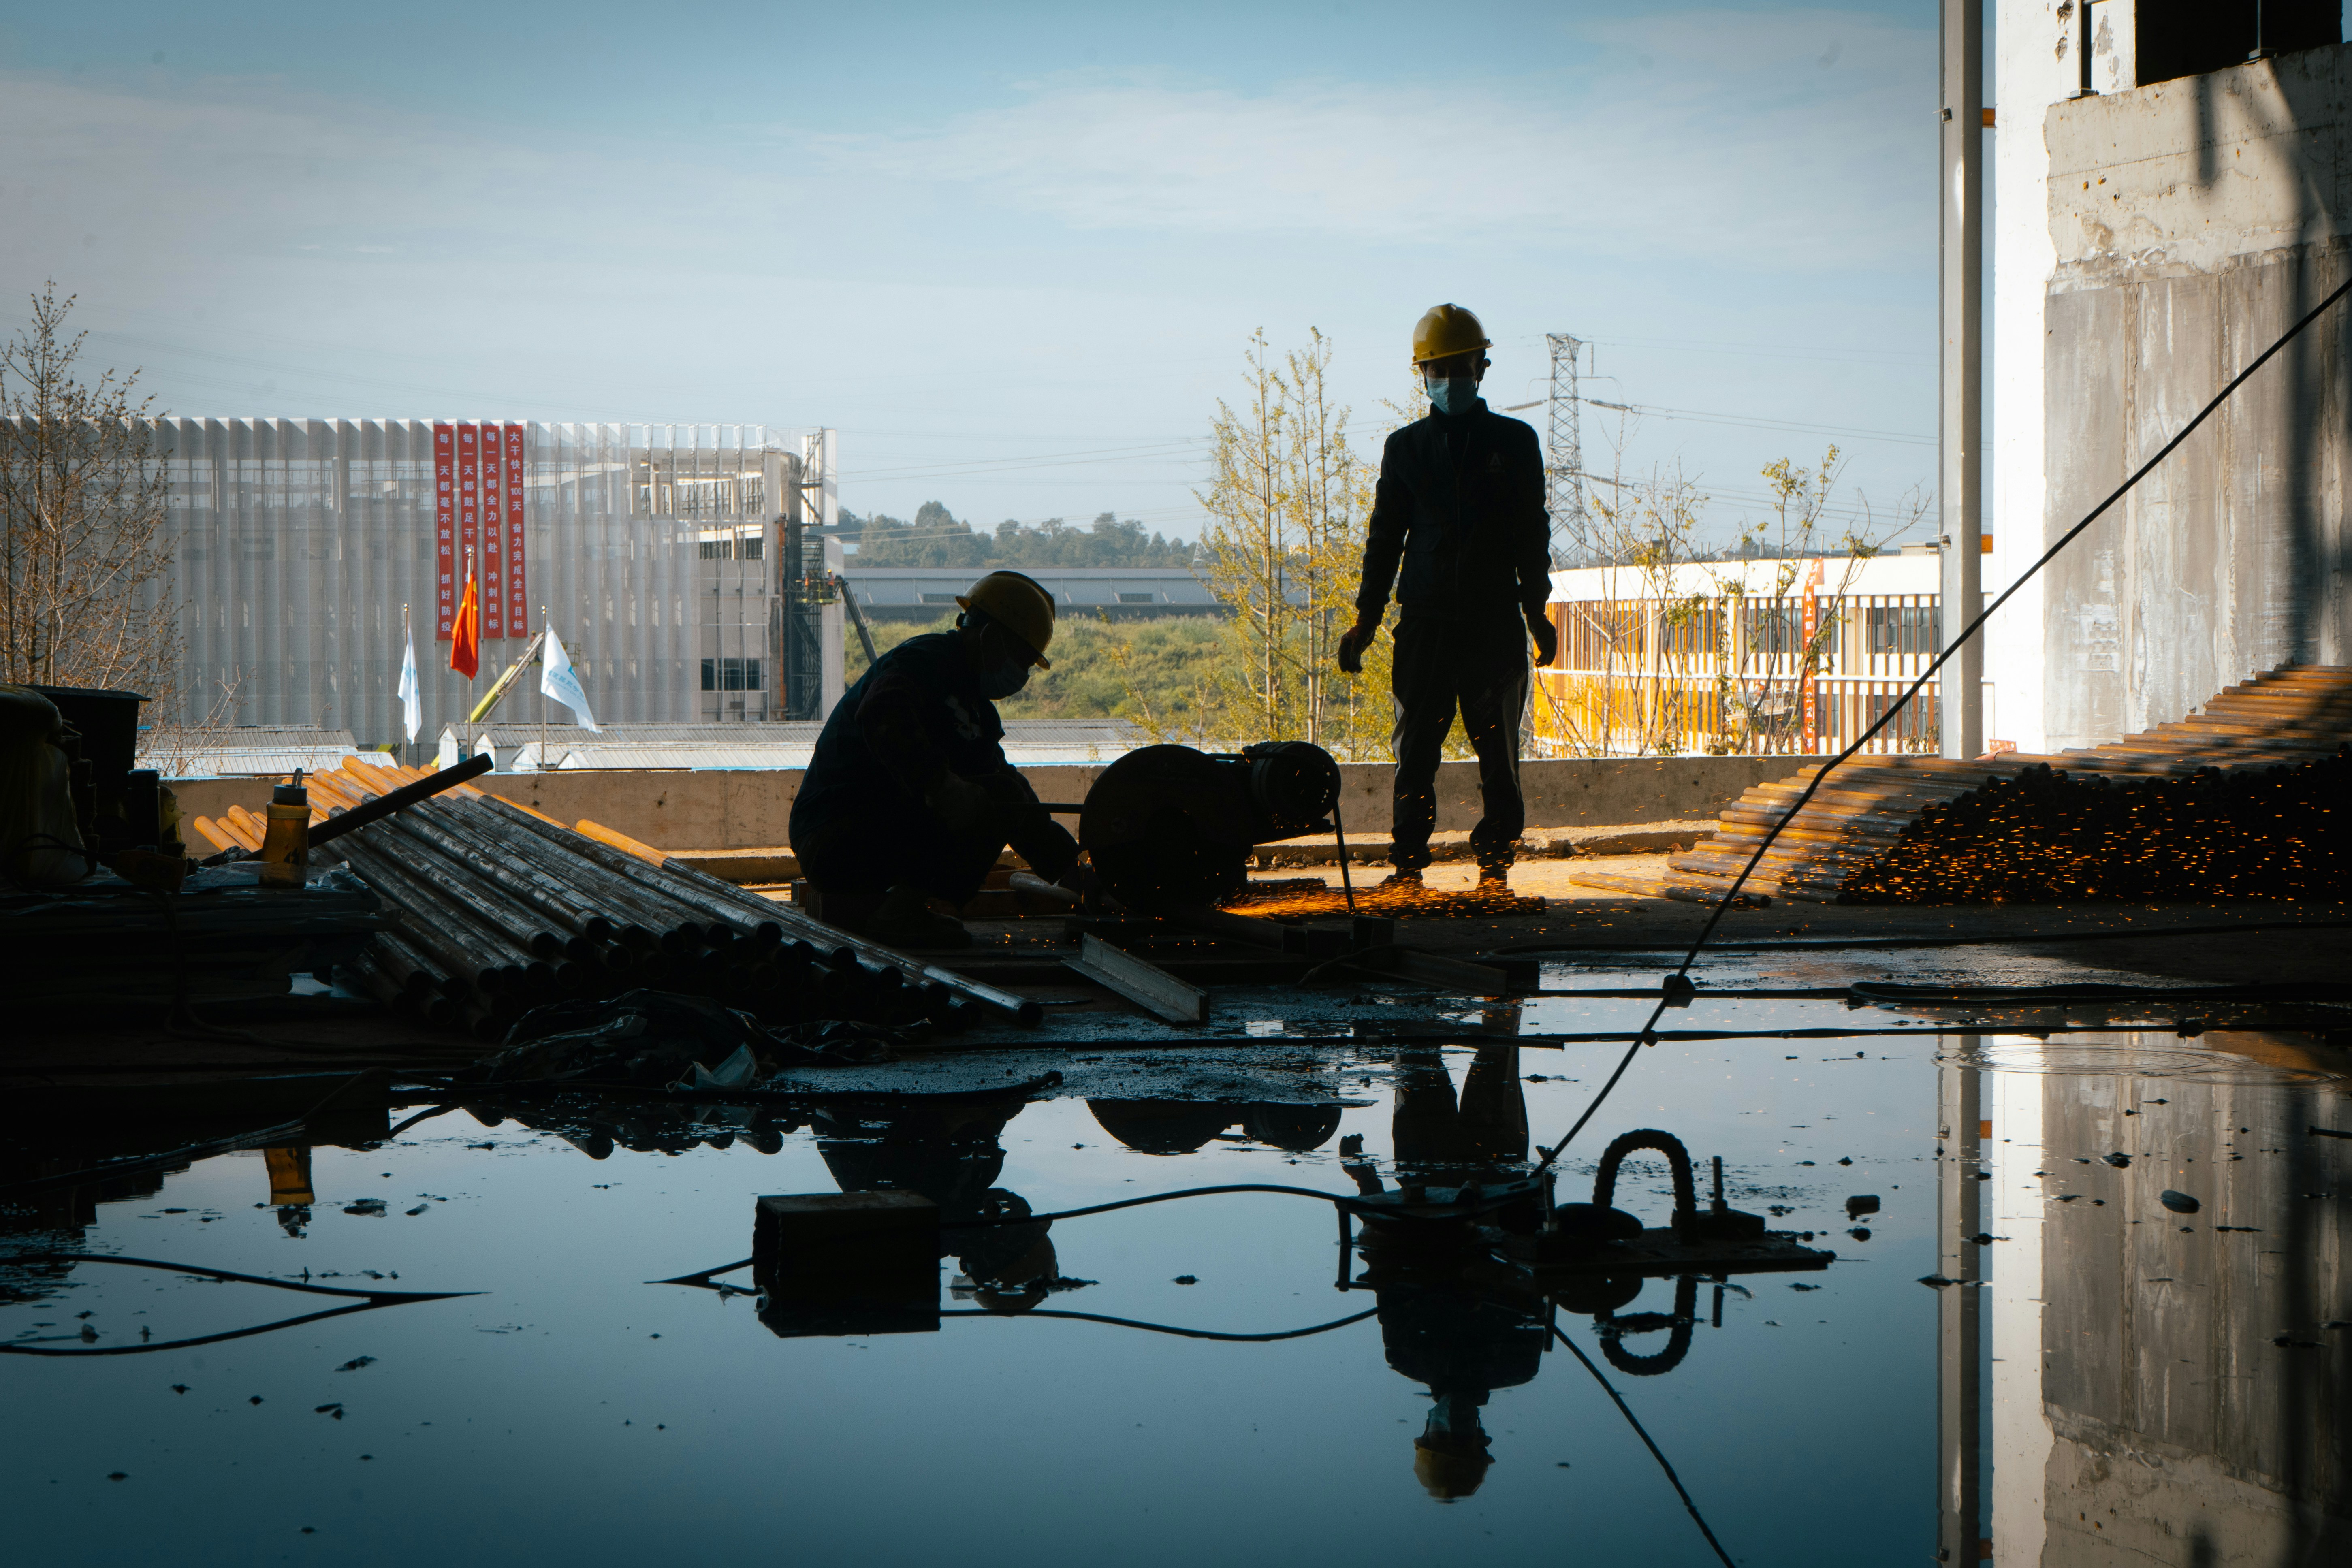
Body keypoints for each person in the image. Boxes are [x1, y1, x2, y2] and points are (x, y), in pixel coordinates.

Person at [1338, 304, 1558, 887]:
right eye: (1438, 367)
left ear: (1481, 367)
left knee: (1498, 756)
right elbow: (1384, 538)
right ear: (1422, 374)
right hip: (1425, 623)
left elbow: (1530, 532)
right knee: (1415, 752)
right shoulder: (1405, 448)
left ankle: (1494, 867)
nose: (1449, 378)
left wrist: (1536, 610)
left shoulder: (1514, 443)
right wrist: (1365, 618)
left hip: (1492, 623)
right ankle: (1408, 864)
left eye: (1458, 365)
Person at [789, 570, 1082, 948]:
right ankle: (900, 914)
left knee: (1000, 795)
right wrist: (942, 785)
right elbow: (882, 710)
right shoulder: (923, 662)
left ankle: (904, 908)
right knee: (984, 802)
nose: (1021, 675)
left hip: (871, 834)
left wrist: (1073, 869)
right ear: (991, 637)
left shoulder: (975, 710)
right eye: (1022, 660)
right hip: (833, 837)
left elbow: (1015, 801)